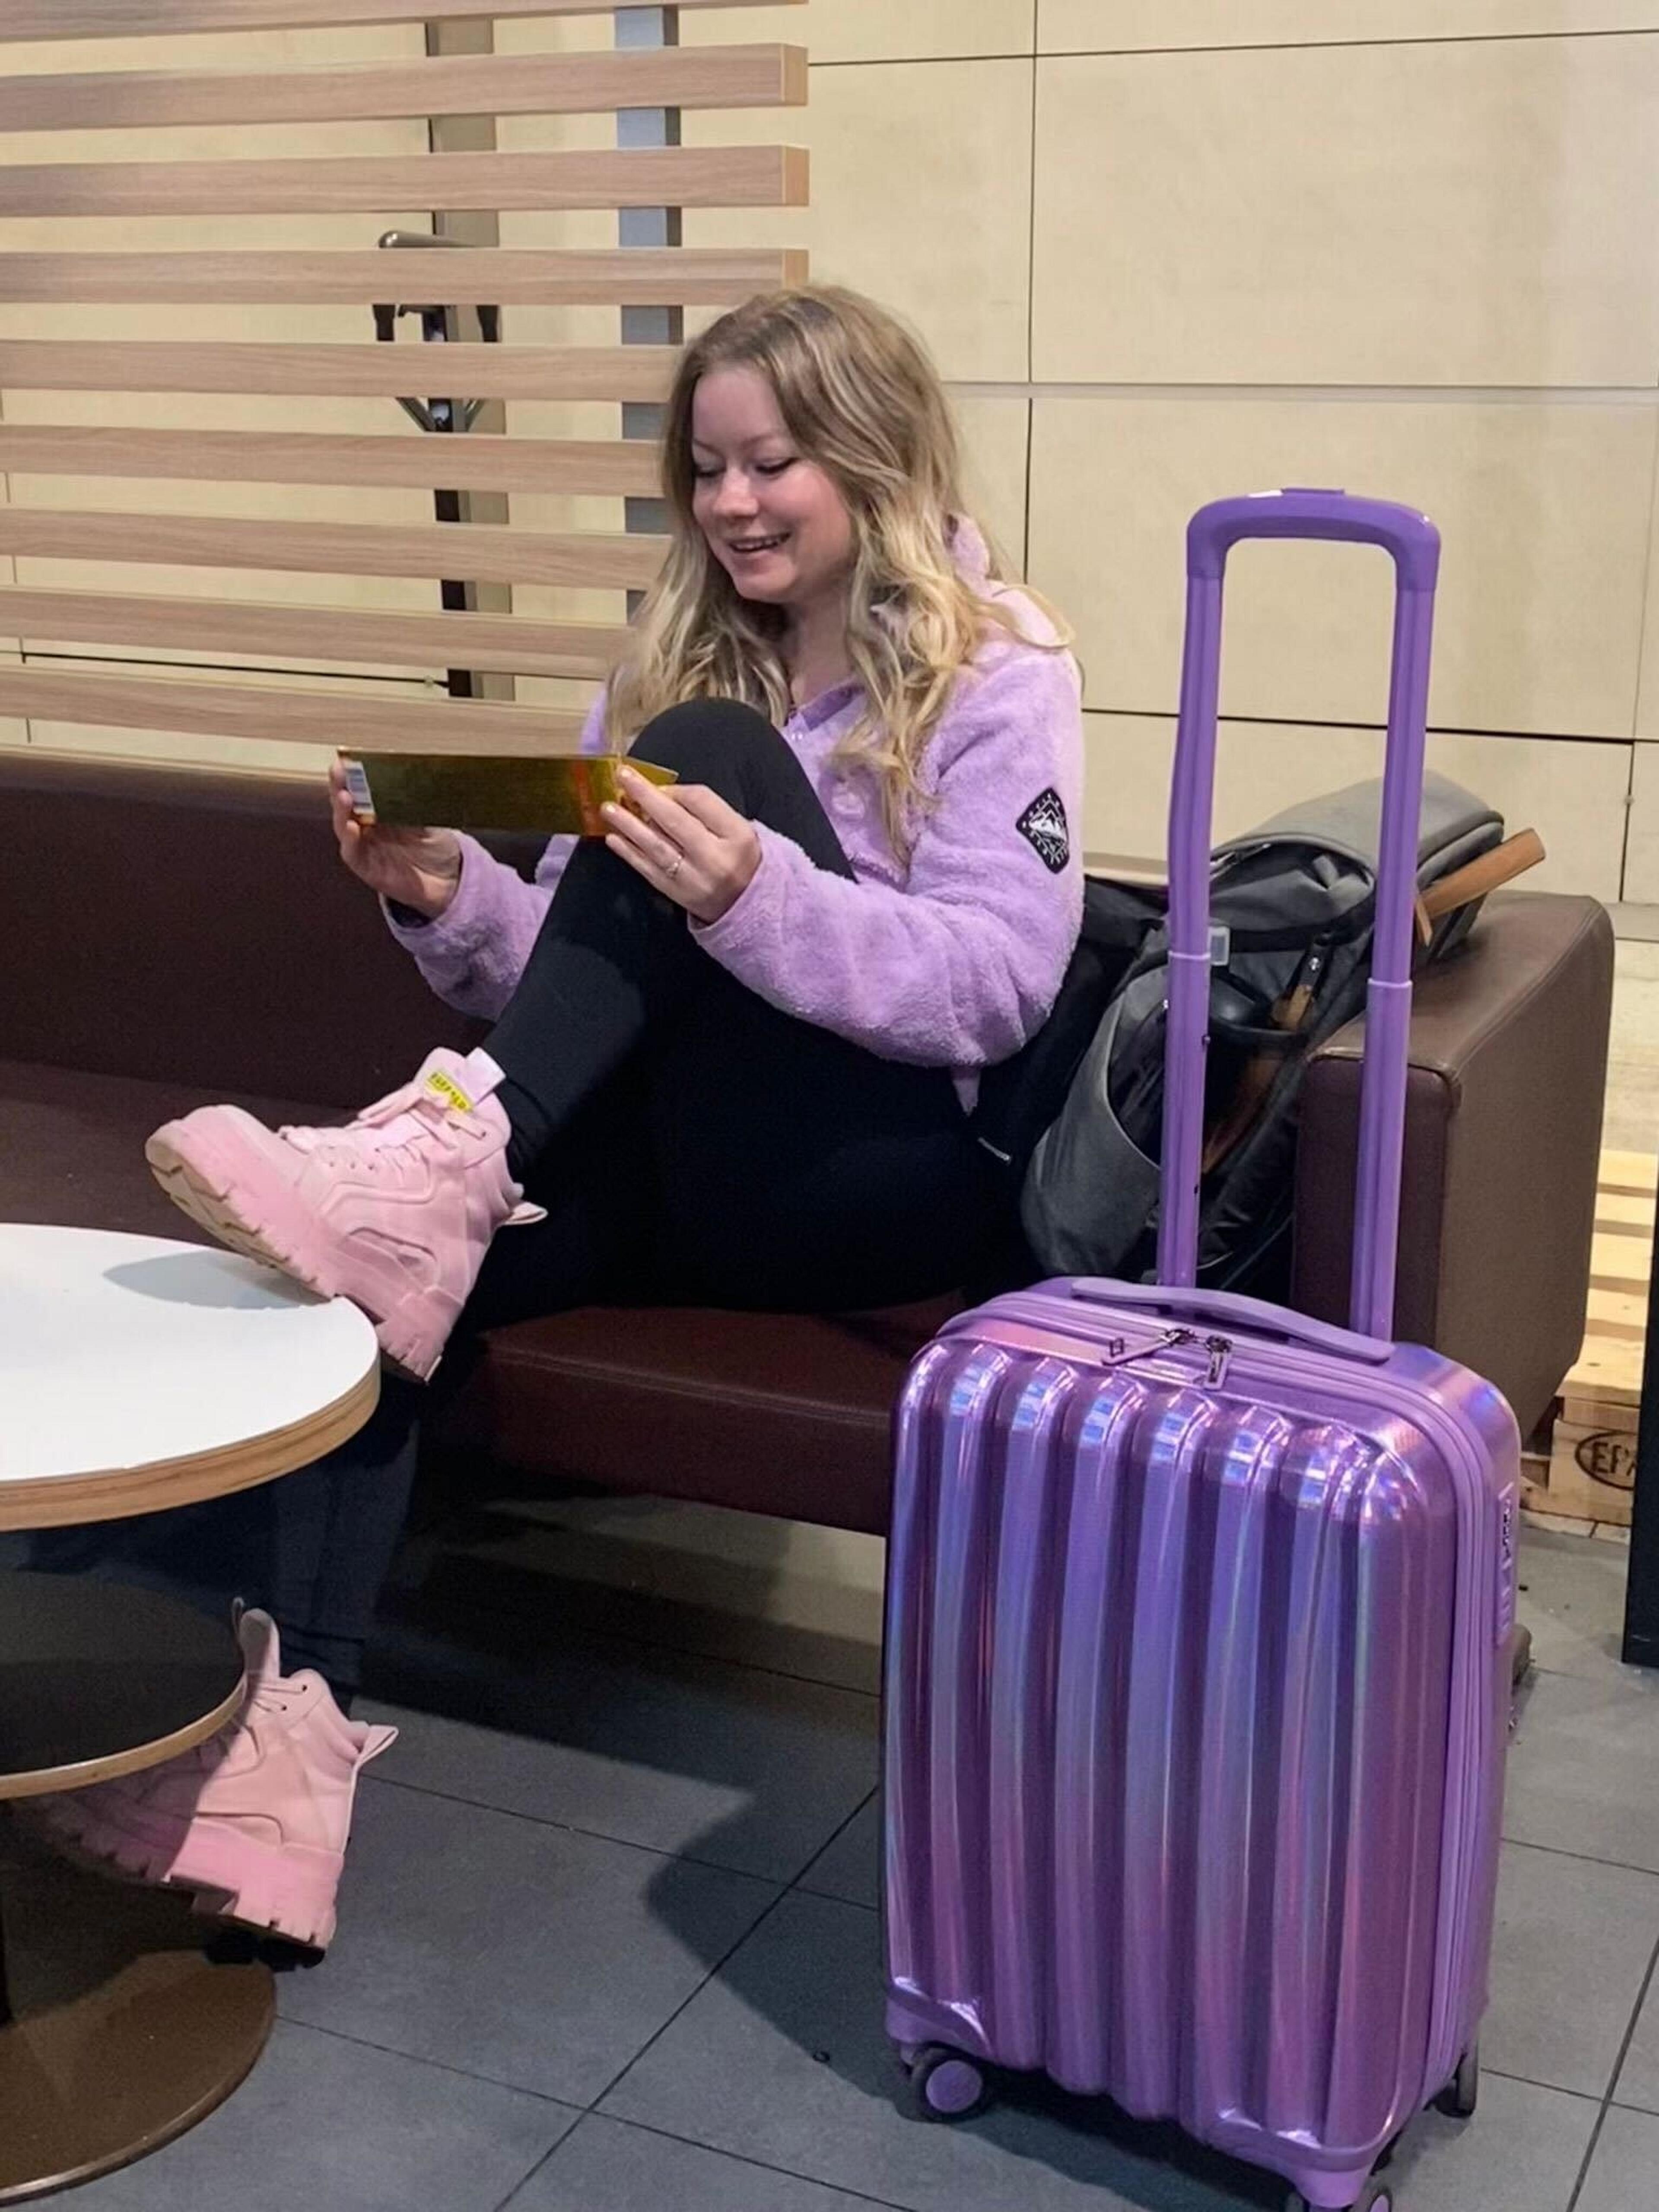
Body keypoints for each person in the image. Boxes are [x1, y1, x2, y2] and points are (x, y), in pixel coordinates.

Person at [28, 285, 1084, 1951]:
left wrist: (759, 892)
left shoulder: (996, 663)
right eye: (707, 468)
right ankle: (274, 1777)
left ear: (871, 459)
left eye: (776, 463)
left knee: (709, 758)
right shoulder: (674, 651)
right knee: (354, 1288)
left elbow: (996, 986)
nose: (733, 504)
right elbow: (574, 977)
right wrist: (447, 894)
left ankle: (438, 1164)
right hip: (671, 1155)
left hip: (867, 1175)